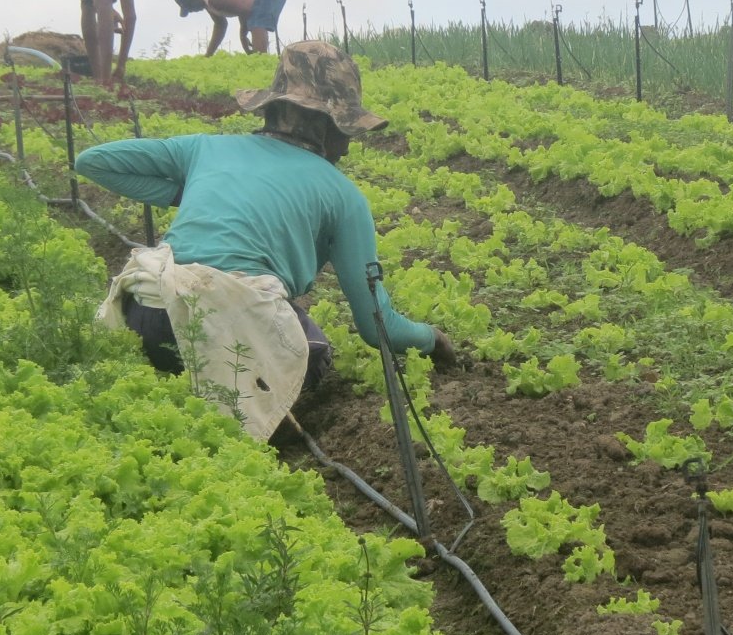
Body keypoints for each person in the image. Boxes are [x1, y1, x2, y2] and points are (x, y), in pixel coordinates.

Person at [75, 40, 455, 440]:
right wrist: (433, 339)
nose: (347, 146)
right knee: (313, 349)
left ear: (271, 109)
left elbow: (93, 161)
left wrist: (187, 191)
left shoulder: (206, 148)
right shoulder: (343, 196)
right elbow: (379, 326)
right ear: (327, 127)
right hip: (222, 332)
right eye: (346, 130)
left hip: (146, 313)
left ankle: (172, 396)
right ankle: (262, 428)